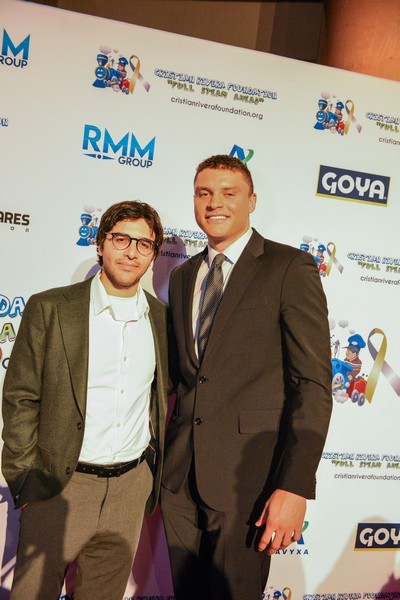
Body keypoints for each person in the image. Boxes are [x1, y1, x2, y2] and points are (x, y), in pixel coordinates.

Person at [161, 155, 332, 600]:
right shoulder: (182, 276)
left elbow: (312, 385)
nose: (214, 203)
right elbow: (184, 379)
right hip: (179, 481)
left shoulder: (289, 267)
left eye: (228, 193)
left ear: (251, 201)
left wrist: (295, 485)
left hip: (247, 485)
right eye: (204, 193)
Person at [2, 200, 168, 599]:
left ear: (153, 255)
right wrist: (25, 478)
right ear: (101, 243)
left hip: (129, 489)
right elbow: (21, 396)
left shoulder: (162, 319)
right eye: (121, 239)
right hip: (58, 486)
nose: (131, 251)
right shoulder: (51, 308)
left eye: (144, 244)